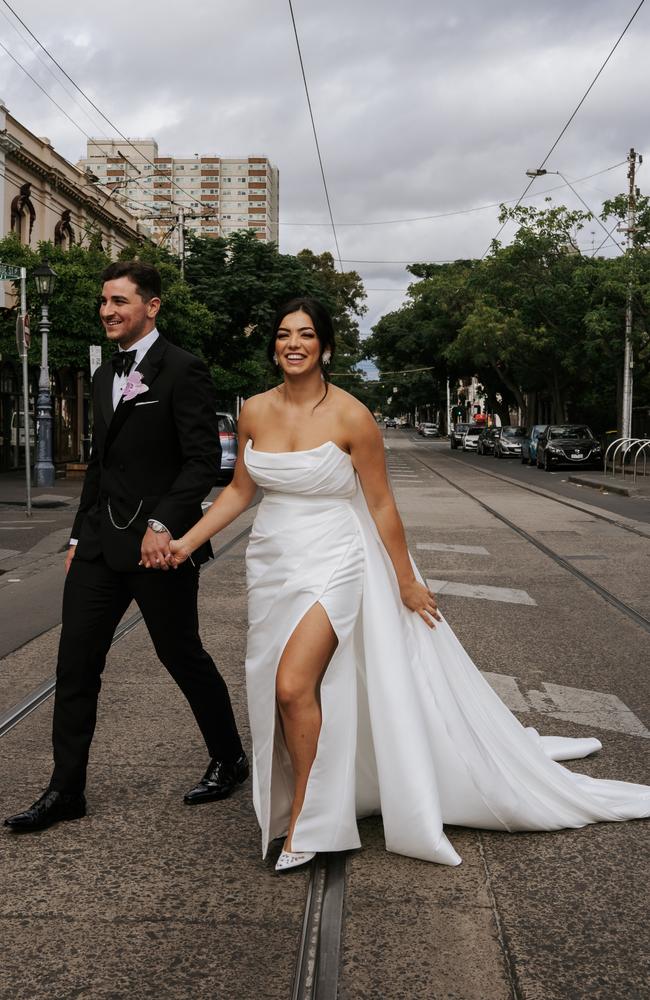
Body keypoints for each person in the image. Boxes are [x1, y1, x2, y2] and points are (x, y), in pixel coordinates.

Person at [167, 296, 650, 872]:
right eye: (282, 335)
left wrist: (404, 580)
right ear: (273, 346)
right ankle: (320, 799)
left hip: (337, 559)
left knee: (295, 686)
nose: (292, 344)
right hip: (272, 563)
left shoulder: (352, 415)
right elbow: (241, 492)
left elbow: (380, 504)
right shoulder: (253, 413)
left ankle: (308, 821)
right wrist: (185, 542)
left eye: (305, 335)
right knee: (279, 689)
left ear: (325, 345)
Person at [5, 261, 247, 833]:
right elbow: (101, 463)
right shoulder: (102, 375)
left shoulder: (183, 369)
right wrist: (74, 534)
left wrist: (165, 524)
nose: (108, 311)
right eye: (104, 302)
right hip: (96, 546)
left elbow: (200, 462)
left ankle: (229, 756)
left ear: (151, 306)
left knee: (181, 654)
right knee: (75, 662)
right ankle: (66, 790)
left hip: (157, 550)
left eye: (119, 301)